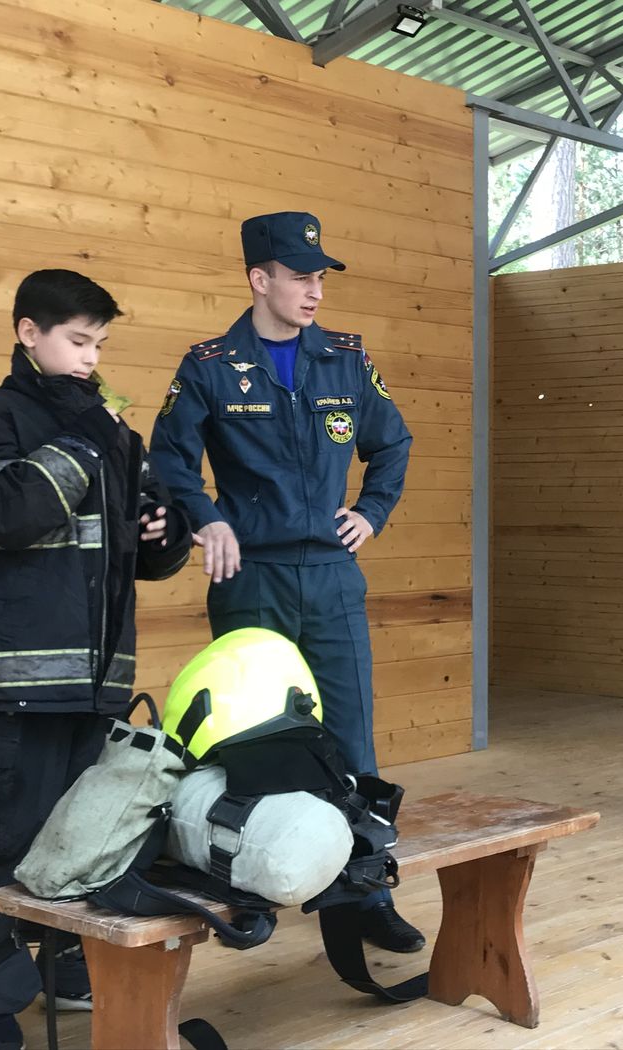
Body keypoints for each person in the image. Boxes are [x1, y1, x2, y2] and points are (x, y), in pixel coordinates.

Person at [0, 269, 193, 1050]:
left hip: (95, 687)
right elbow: (5, 515)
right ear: (28, 333)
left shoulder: (110, 434)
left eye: (99, 344)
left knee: (84, 843)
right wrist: (81, 440)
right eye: (77, 341)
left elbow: (149, 553)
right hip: (7, 687)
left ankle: (64, 968)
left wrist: (162, 530)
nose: (90, 358)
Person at [148, 212, 423, 952]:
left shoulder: (345, 359)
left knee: (351, 739)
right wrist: (209, 519)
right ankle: (250, 888)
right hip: (252, 579)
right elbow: (169, 457)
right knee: (254, 741)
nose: (315, 291)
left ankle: (363, 898)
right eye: (301, 277)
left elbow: (392, 442)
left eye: (320, 277)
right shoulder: (209, 365)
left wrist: (372, 511)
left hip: (331, 577)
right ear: (259, 279)